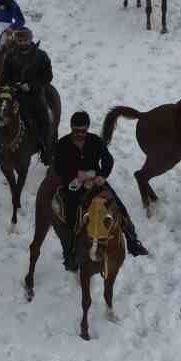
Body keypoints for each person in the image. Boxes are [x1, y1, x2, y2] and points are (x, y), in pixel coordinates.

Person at [53, 111, 149, 271]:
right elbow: (58, 167)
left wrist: (102, 176)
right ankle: (70, 253)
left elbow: (108, 160)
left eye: (83, 131)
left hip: (96, 181)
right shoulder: (62, 144)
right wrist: (75, 176)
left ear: (87, 129)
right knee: (70, 216)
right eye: (76, 131)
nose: (79, 135)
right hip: (73, 184)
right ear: (71, 129)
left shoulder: (95, 141)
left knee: (119, 206)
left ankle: (132, 241)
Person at [0, 25, 54, 163]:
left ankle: (46, 149)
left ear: (30, 39)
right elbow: (4, 76)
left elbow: (48, 76)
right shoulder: (11, 55)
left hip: (34, 94)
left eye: (25, 40)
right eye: (20, 41)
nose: (22, 43)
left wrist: (31, 85)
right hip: (14, 93)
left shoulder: (41, 56)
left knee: (43, 118)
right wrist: (10, 86)